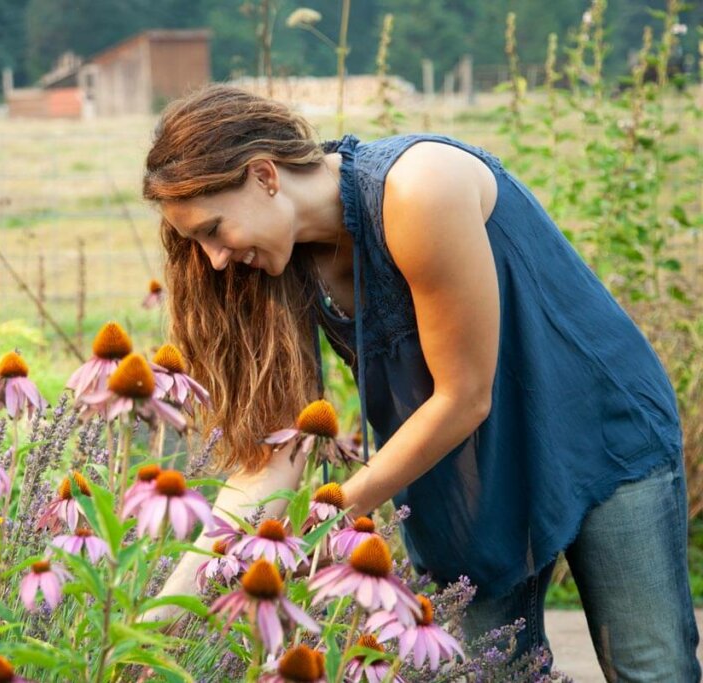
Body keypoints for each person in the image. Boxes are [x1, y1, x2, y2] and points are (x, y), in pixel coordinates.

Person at [141, 85, 700, 682]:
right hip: (461, 474)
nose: (214, 260)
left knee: (650, 670)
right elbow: (270, 458)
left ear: (263, 175)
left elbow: (464, 396)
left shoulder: (417, 188)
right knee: (488, 674)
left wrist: (331, 518)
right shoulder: (274, 270)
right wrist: (172, 608)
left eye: (212, 229)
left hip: (597, 433)